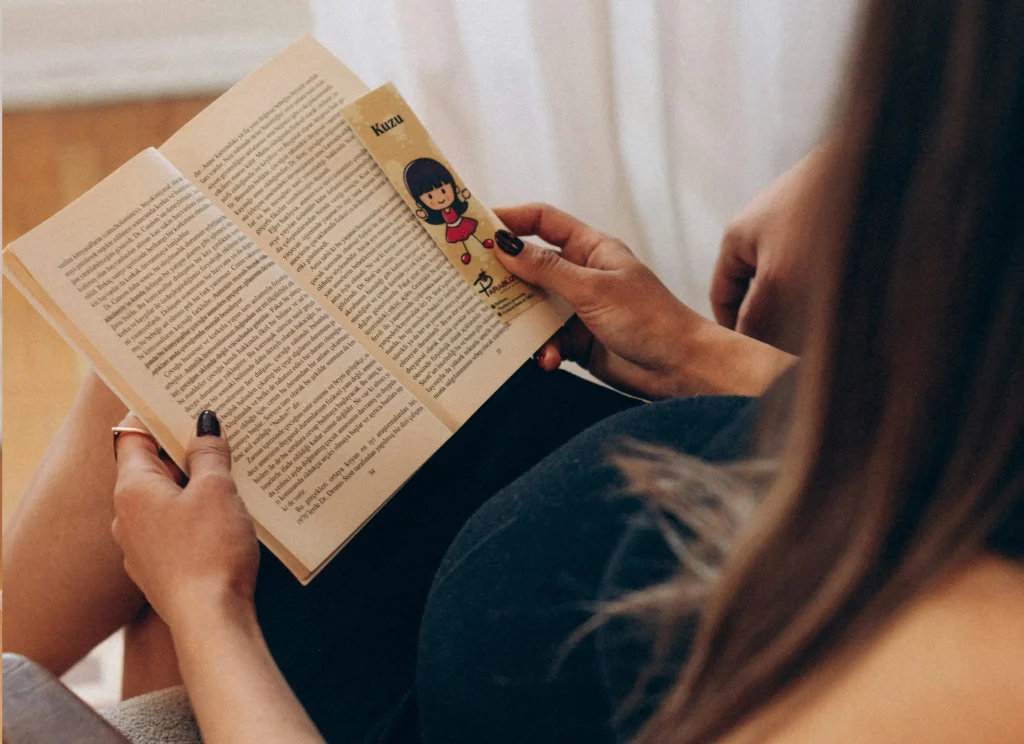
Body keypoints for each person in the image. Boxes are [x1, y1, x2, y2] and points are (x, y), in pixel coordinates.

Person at [5, 1, 1023, 743]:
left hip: (430, 696)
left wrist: (205, 608)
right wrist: (695, 354)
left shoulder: (969, 676)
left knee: (172, 435)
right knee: (191, 335)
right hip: (603, 504)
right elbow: (955, 476)